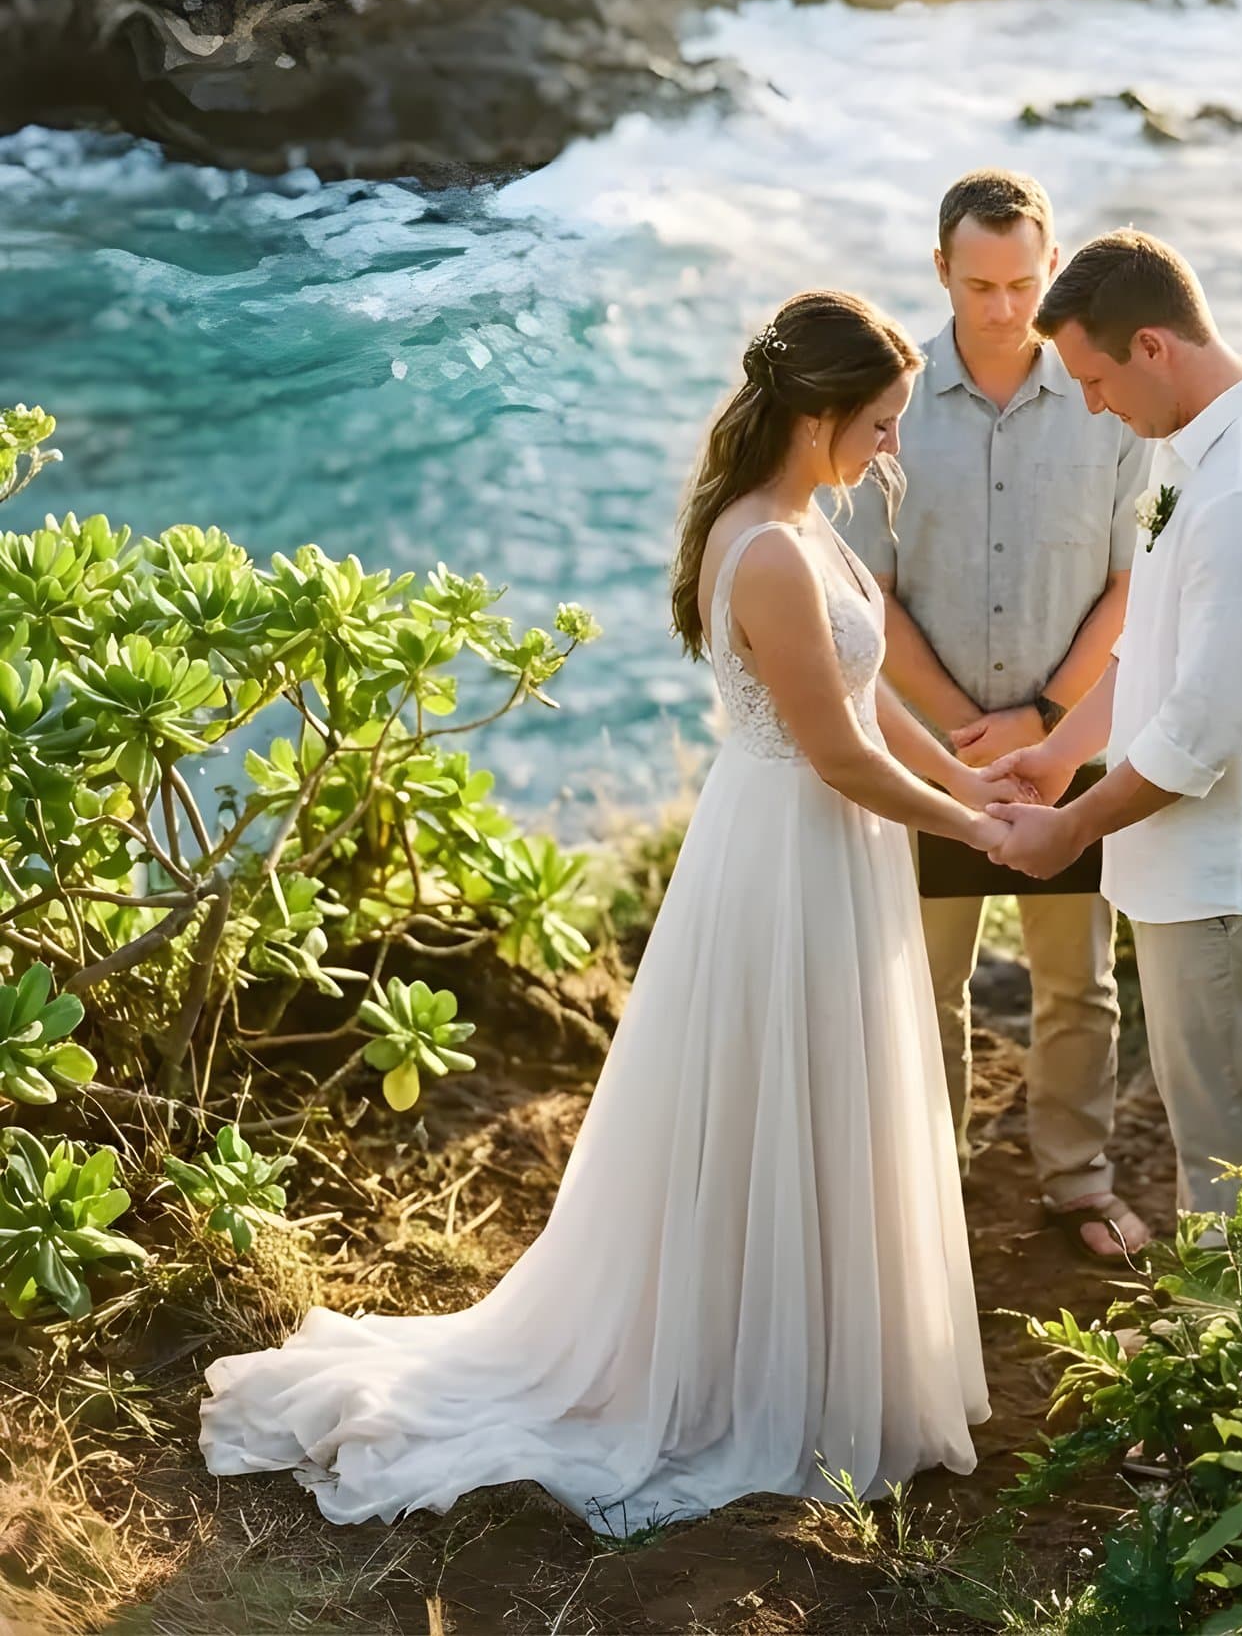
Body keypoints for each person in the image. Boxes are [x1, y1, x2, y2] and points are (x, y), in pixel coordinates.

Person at [200, 292, 1012, 1530]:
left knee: (811, 1090)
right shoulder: (777, 551)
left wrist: (962, 772)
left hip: (819, 845)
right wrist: (983, 830)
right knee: (768, 1091)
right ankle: (741, 1372)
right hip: (788, 851)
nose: (893, 445)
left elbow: (867, 694)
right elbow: (838, 755)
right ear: (822, 414)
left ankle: (802, 1345)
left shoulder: (809, 522)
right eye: (884, 422)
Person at [983, 232, 1242, 1243]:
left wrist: (1071, 832)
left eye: (1096, 379)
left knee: (1235, 1169)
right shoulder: (1202, 453)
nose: (1094, 405)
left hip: (1226, 881)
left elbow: (1199, 734)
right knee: (1217, 1150)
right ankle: (1218, 1363)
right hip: (1193, 877)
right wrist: (1063, 755)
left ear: (1152, 347)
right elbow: (1159, 646)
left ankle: (1235, 1382)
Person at [848, 172, 1153, 1262]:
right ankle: (931, 1187)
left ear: (1050, 265)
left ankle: (1077, 1178)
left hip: (1072, 742)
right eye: (979, 285)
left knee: (1078, 978)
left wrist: (1044, 718)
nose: (1003, 308)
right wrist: (963, 733)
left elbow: (1133, 580)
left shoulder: (1105, 400)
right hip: (930, 756)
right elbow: (864, 591)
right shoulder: (892, 407)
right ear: (941, 271)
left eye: (1024, 282)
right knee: (924, 981)